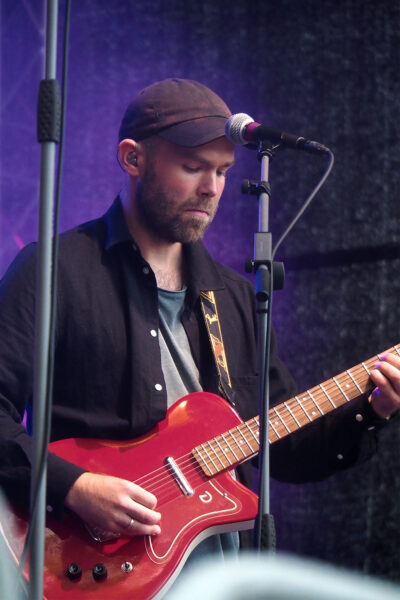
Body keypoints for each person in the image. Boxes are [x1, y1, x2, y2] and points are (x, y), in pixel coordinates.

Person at [0, 78, 399, 571]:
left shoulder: (233, 298)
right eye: (193, 168)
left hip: (213, 575)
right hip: (82, 566)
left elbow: (288, 450)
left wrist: (374, 408)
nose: (211, 189)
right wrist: (75, 487)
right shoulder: (53, 270)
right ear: (133, 159)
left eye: (224, 171)